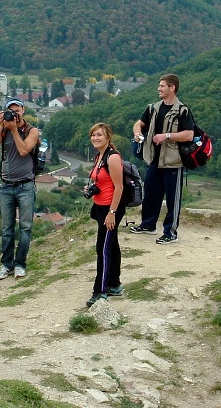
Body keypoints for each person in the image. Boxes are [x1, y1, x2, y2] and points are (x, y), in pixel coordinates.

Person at [130, 74, 194, 244]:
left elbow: (189, 135)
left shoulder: (182, 111)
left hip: (174, 162)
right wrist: (137, 134)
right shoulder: (153, 108)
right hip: (154, 160)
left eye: (162, 86)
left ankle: (170, 233)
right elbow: (138, 124)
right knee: (150, 193)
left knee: (173, 199)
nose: (159, 88)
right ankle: (148, 225)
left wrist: (167, 135)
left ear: (172, 88)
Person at [0, 98, 39, 280]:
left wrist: (15, 130)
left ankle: (20, 264)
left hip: (25, 186)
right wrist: (1, 126)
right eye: (10, 111)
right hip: (6, 186)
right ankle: (6, 264)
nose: (14, 114)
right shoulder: (5, 129)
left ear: (23, 110)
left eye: (17, 110)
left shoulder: (32, 131)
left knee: (25, 228)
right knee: (7, 229)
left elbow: (24, 150)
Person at [85, 123, 126, 307]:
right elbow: (103, 181)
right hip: (101, 207)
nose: (95, 138)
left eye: (99, 135)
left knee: (103, 249)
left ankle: (100, 291)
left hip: (111, 208)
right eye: (93, 135)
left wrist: (112, 213)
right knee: (112, 245)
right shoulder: (99, 156)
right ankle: (114, 284)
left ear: (108, 137)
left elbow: (119, 187)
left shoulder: (112, 157)